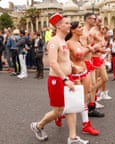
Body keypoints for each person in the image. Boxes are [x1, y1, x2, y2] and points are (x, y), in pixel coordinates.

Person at [30, 13, 89, 144]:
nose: (69, 25)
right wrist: (65, 79)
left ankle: (72, 138)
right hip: (57, 80)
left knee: (71, 107)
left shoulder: (63, 41)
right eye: (67, 23)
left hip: (66, 78)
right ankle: (38, 126)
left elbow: (65, 59)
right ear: (58, 26)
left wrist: (74, 66)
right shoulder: (53, 41)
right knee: (59, 110)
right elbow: (53, 63)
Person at [66, 21, 99, 136]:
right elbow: (78, 55)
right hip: (75, 75)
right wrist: (90, 48)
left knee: (84, 99)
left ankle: (86, 124)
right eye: (79, 27)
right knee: (76, 100)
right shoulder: (69, 43)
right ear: (73, 30)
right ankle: (60, 114)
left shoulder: (80, 43)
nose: (81, 29)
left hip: (84, 72)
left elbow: (84, 54)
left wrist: (92, 48)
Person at [79, 13, 104, 117]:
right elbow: (83, 48)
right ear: (87, 19)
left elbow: (91, 47)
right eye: (93, 19)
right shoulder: (83, 32)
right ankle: (70, 108)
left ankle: (91, 108)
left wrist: (98, 48)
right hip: (84, 62)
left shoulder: (90, 32)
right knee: (85, 88)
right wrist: (95, 47)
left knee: (93, 86)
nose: (95, 20)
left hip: (90, 61)